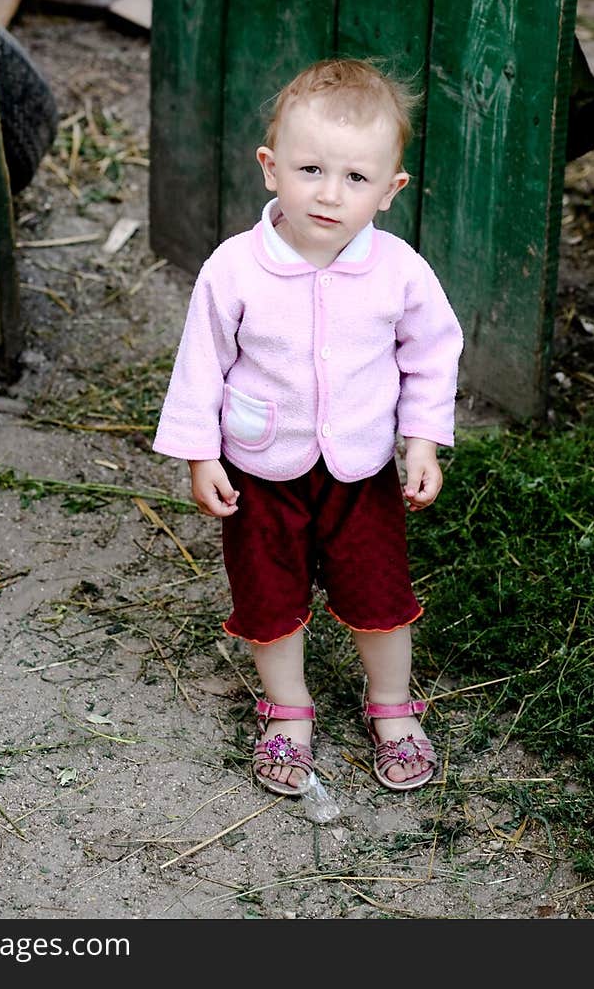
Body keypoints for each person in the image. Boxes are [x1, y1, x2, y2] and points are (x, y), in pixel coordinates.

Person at [152, 59, 463, 796]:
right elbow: (202, 364)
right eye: (311, 169)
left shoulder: (401, 273)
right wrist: (200, 455)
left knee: (379, 595)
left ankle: (391, 706)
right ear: (270, 169)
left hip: (361, 471)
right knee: (269, 595)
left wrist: (421, 439)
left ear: (390, 191)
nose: (329, 193)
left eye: (357, 178)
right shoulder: (234, 269)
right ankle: (288, 712)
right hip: (261, 469)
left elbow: (432, 356)